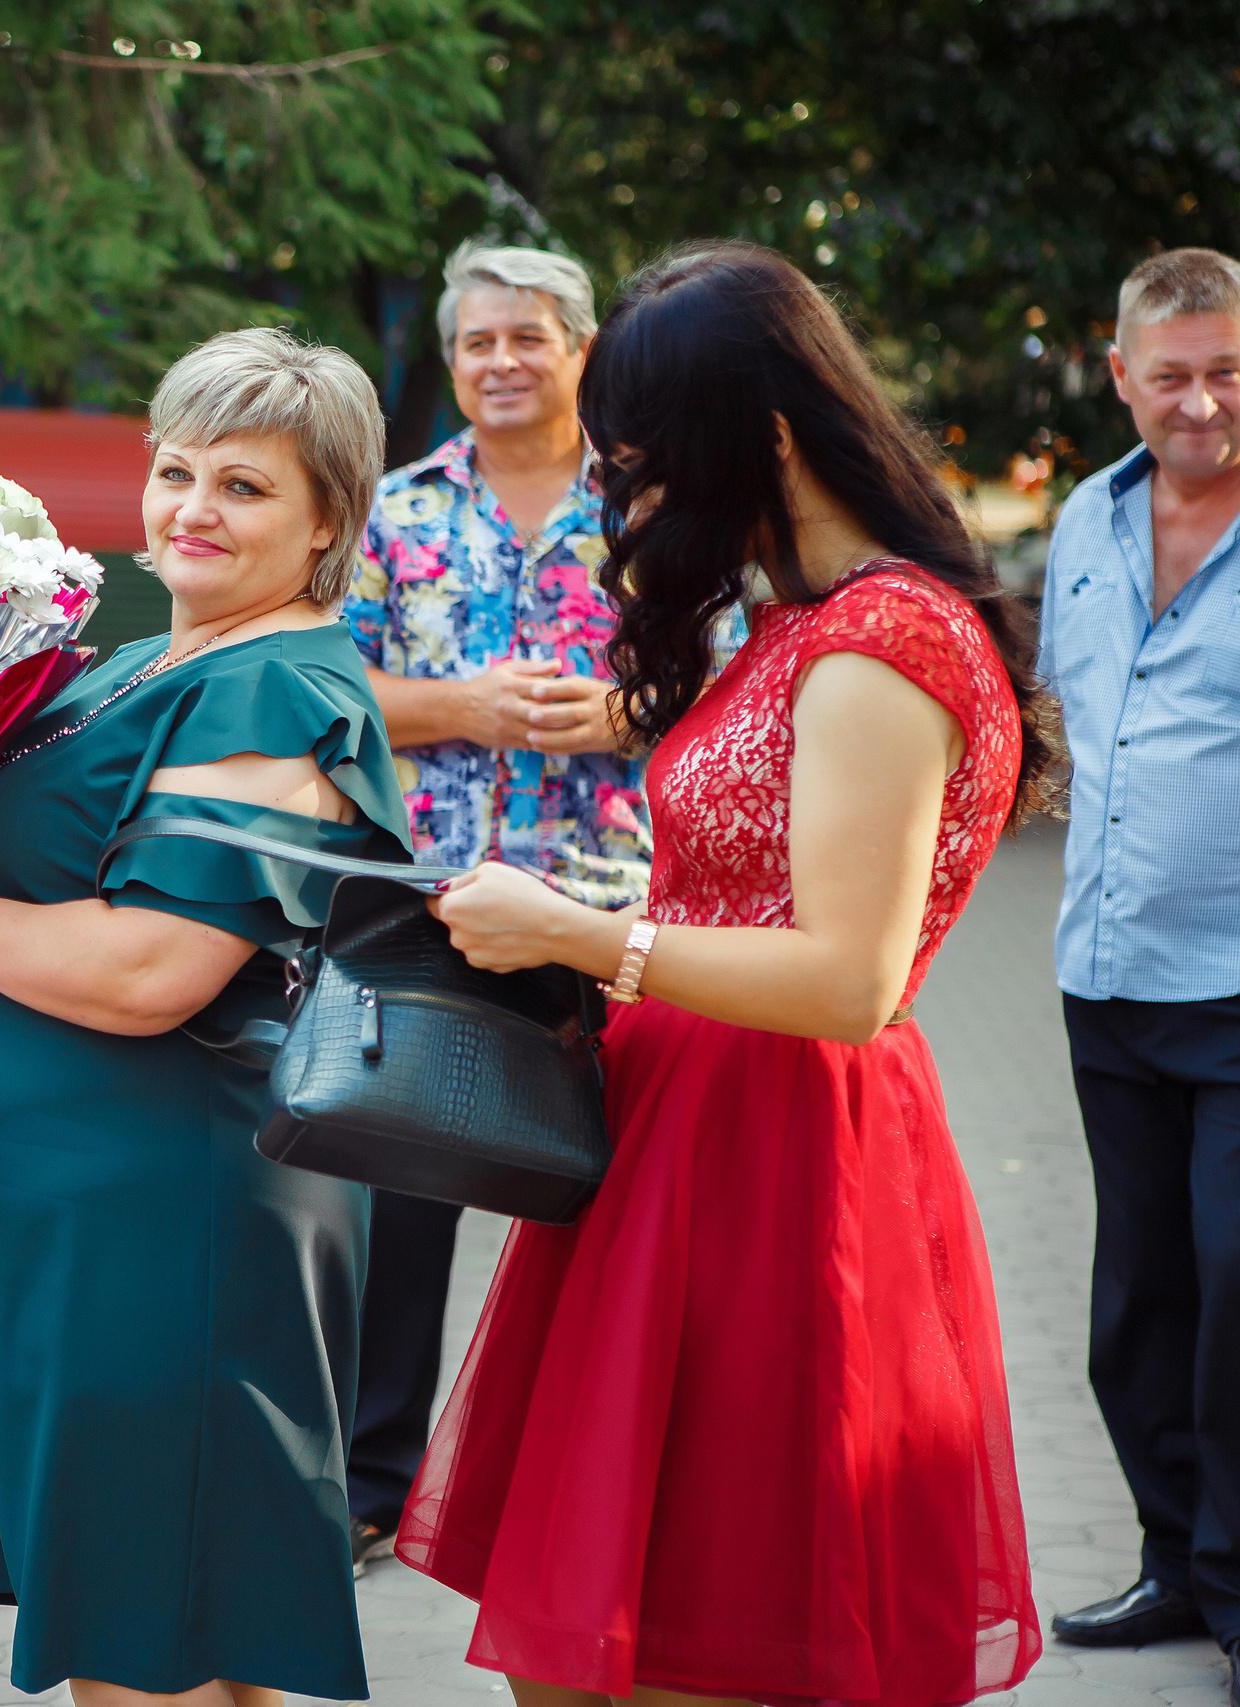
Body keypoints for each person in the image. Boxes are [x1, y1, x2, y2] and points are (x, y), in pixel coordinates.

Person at [392, 241, 1055, 1707]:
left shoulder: (884, 640)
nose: (624, 495)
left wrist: (578, 933)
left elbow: (849, 978)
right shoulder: (791, 625)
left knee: (707, 1633)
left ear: (758, 436)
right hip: (678, 1129)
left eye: (643, 459)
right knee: (584, 1634)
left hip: (782, 1159)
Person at [0, 328, 408, 1706]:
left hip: (156, 1215)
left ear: (330, 521)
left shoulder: (274, 686)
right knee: (184, 1628)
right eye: (177, 469)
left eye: (246, 487)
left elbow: (154, 967)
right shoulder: (150, 658)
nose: (193, 507)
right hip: (65, 1213)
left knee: (144, 1644)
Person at [341, 240, 740, 1569]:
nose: (501, 361)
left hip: (622, 912)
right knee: (402, 1201)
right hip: (438, 911)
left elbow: (746, 695)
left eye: (529, 336)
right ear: (450, 360)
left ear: (581, 349)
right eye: (477, 342)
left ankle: (605, 1488)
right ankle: (372, 1480)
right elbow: (324, 697)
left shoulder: (665, 508)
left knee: (617, 1211)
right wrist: (462, 705)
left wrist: (629, 714)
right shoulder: (396, 512)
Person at [1037, 247, 1240, 1684]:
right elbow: (1067, 715)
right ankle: (1177, 1560)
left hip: (1238, 984)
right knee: (1139, 1303)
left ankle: (1238, 1585)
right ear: (1120, 375)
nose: (1203, 400)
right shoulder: (1083, 520)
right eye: (1171, 373)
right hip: (1103, 973)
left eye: (1229, 369)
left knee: (1238, 1289)